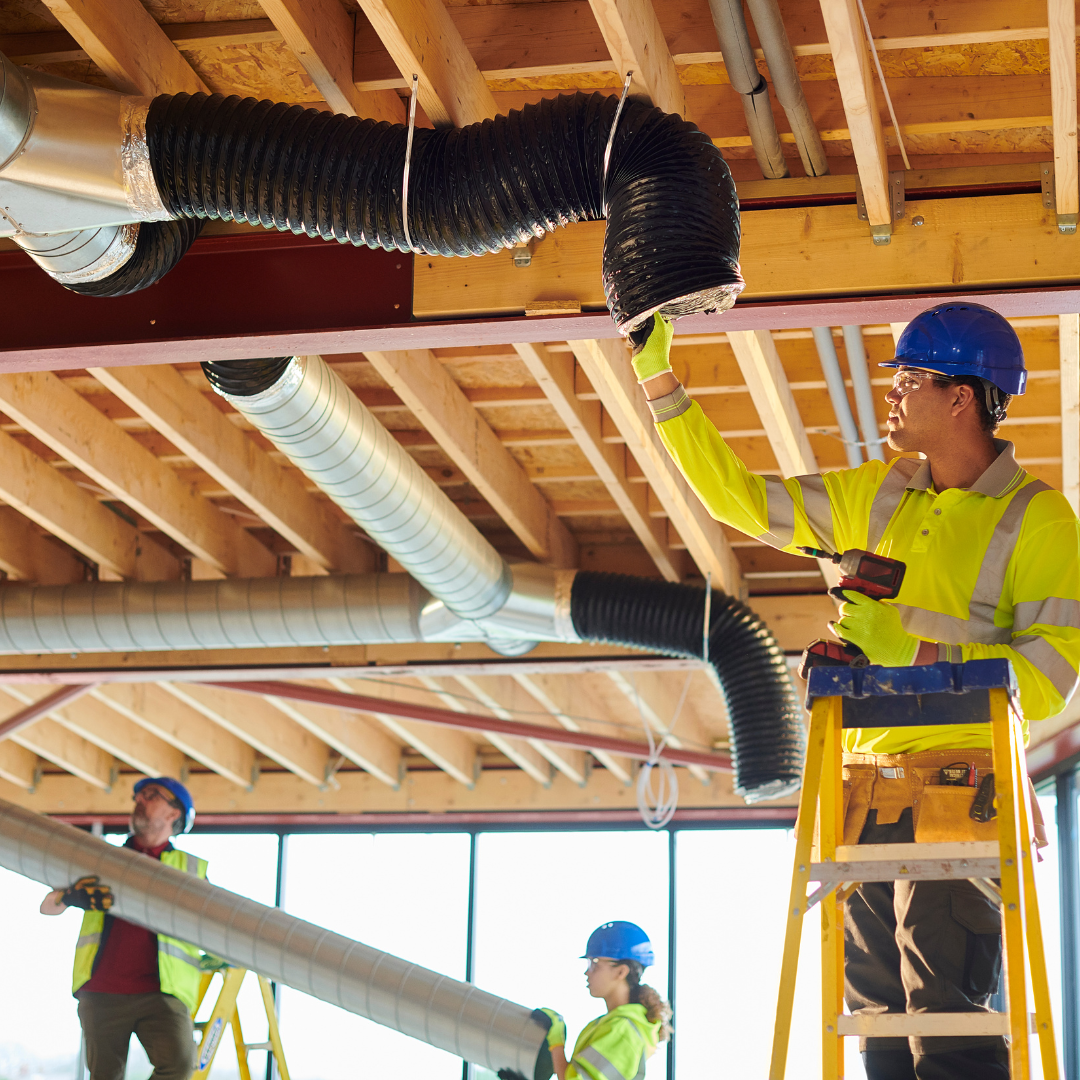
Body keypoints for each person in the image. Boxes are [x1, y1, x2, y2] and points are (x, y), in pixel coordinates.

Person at [629, 303, 1080, 1080]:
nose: (892, 395)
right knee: (874, 1017)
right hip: (864, 785)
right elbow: (740, 499)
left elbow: (1047, 685)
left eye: (907, 378)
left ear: (961, 396)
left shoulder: (1038, 521)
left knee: (947, 1012)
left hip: (963, 782)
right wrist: (658, 378)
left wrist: (912, 648)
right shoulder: (876, 495)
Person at [41, 777, 207, 1080]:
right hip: (103, 990)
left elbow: (214, 925)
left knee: (180, 1067)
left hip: (162, 992)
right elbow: (47, 906)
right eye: (138, 795)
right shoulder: (103, 858)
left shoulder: (191, 870)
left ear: (174, 814)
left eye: (151, 795)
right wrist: (70, 896)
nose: (139, 800)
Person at [539, 921, 671, 1080]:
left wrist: (557, 1043)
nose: (587, 972)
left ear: (621, 971)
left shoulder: (622, 1030)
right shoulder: (616, 1025)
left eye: (595, 963)